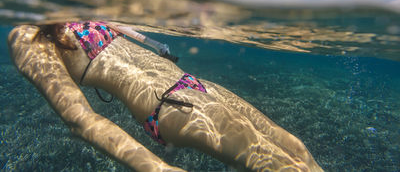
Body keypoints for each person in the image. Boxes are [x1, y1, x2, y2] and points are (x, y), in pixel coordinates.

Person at [8, 21, 323, 172]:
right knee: (284, 167)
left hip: (199, 85)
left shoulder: (80, 13)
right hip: (171, 106)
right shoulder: (27, 36)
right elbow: (80, 119)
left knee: (297, 149)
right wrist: (156, 168)